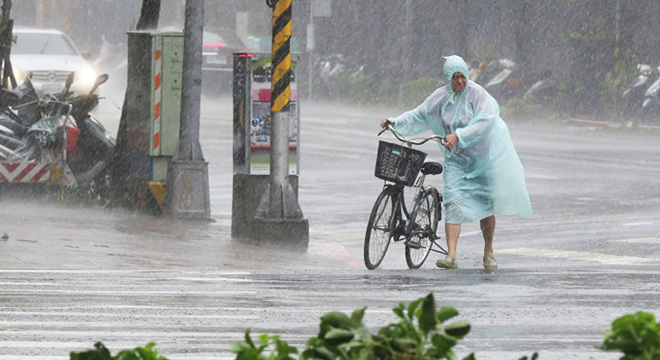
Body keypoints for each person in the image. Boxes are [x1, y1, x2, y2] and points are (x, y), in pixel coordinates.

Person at [380, 55, 532, 270]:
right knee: (452, 201)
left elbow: (486, 120)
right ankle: (451, 255)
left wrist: (460, 136)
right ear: (447, 78)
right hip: (456, 160)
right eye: (455, 78)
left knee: (486, 205)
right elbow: (420, 113)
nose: (460, 81)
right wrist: (395, 121)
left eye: (462, 77)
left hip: (483, 159)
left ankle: (488, 250)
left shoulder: (478, 94)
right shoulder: (440, 97)